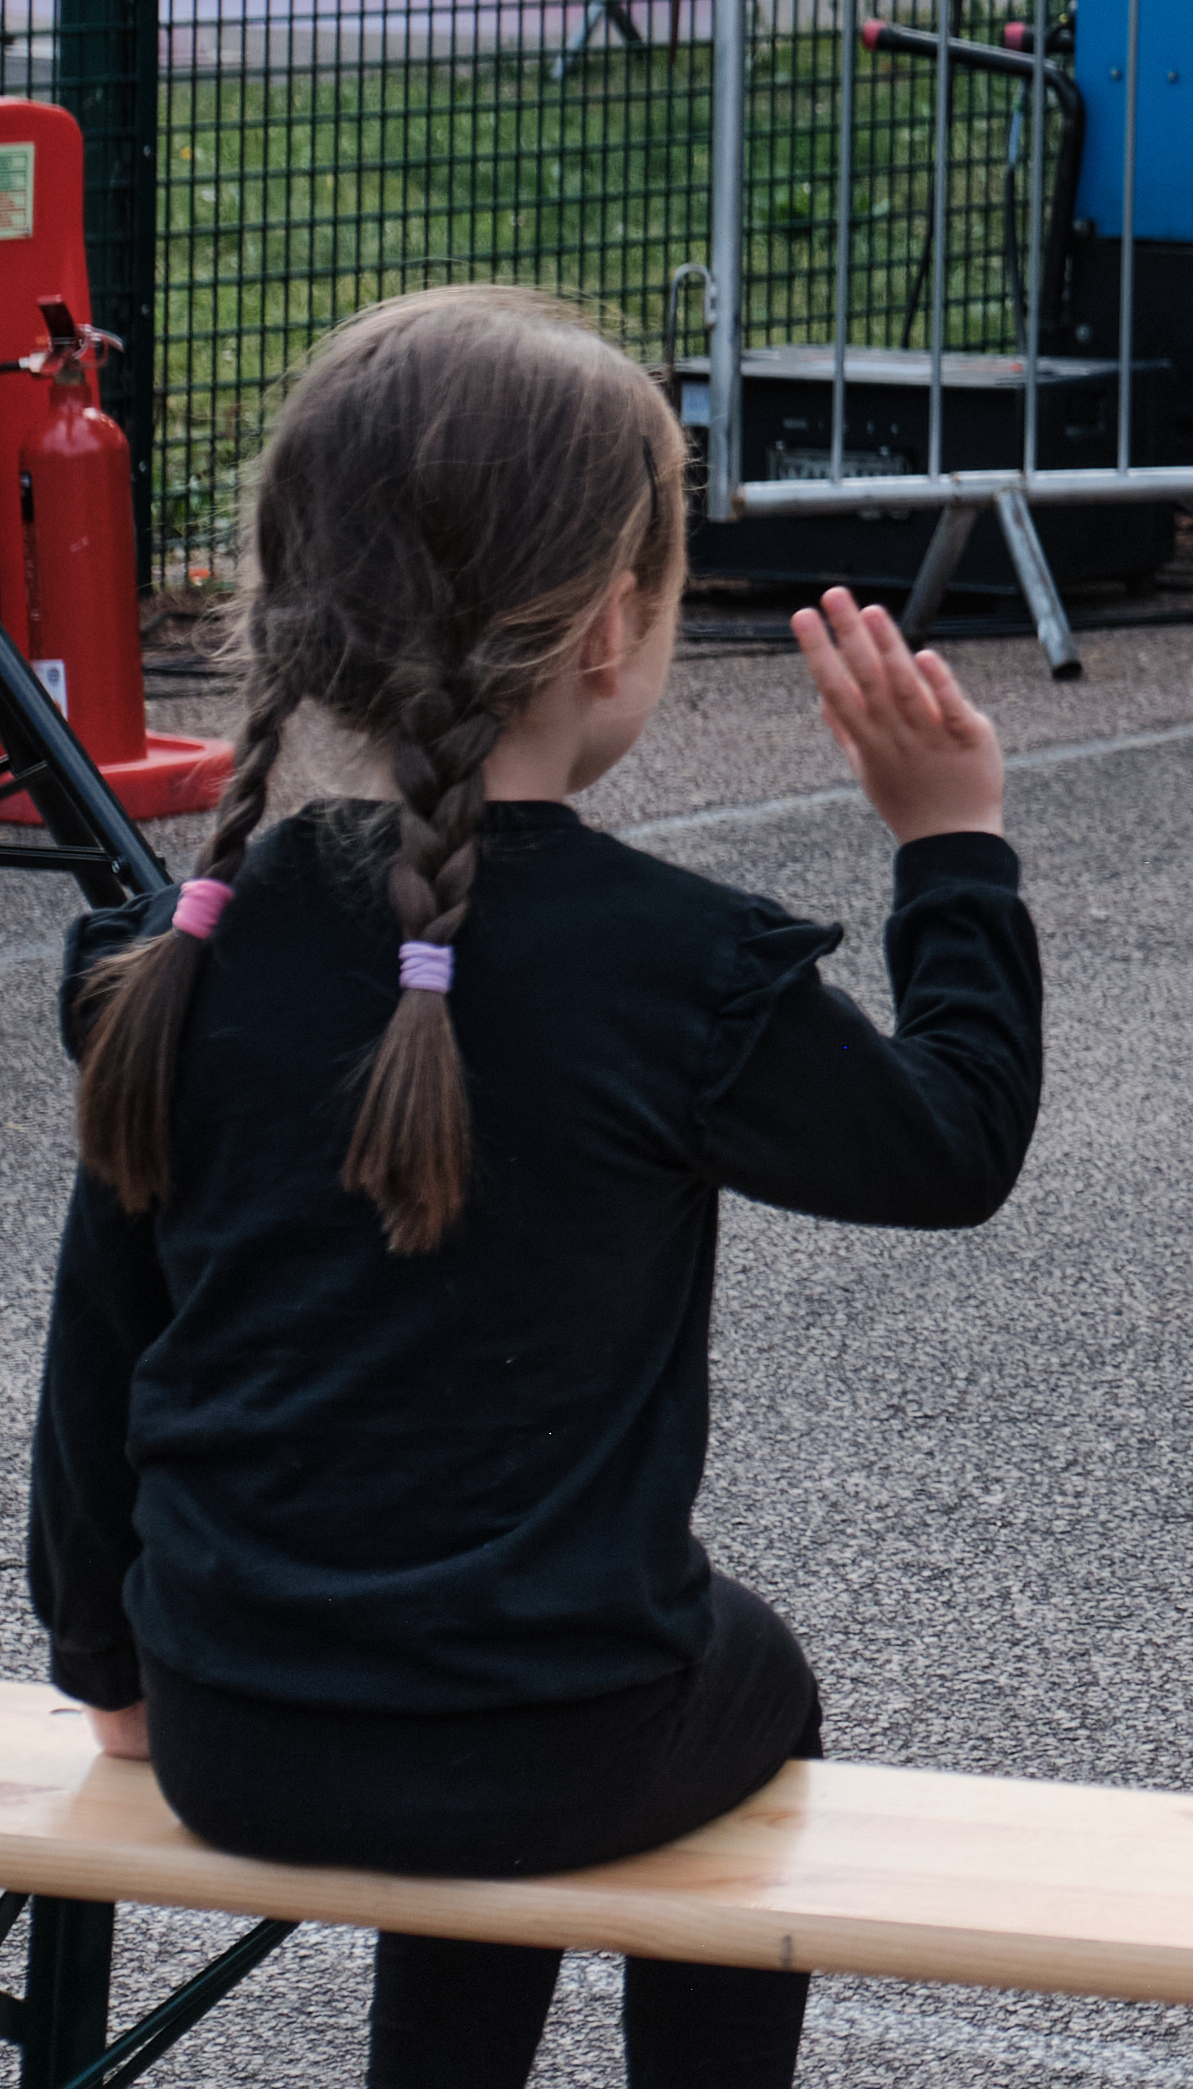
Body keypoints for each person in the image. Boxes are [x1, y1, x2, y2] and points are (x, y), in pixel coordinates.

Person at [26, 287, 1039, 2089]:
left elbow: (97, 1345)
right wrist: (950, 844)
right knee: (762, 1677)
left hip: (222, 1725)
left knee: (480, 1707)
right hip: (564, 1745)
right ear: (613, 627)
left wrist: (105, 1659)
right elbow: (950, 1145)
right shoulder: (680, 973)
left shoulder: (179, 952)